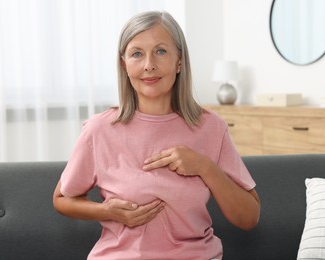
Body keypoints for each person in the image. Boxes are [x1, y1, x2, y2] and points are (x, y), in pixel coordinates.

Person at [53, 10, 260, 260]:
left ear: (179, 62)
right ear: (124, 64)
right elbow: (63, 199)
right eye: (137, 54)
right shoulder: (99, 129)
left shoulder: (211, 127)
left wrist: (205, 167)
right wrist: (107, 211)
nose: (149, 64)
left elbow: (249, 218)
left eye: (161, 51)